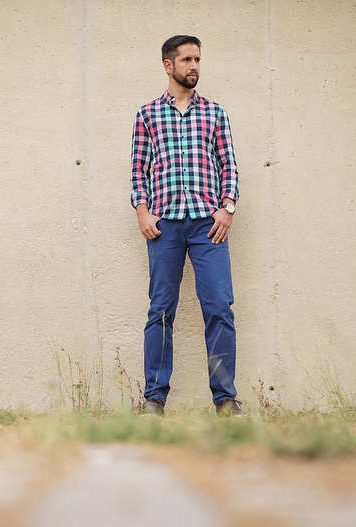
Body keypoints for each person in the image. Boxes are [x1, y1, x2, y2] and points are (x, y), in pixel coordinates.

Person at [130, 34, 243, 416]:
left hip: (208, 226)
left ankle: (225, 399)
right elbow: (138, 170)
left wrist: (226, 208)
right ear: (168, 65)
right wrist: (142, 212)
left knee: (219, 308)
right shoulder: (147, 115)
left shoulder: (215, 113)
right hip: (165, 228)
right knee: (161, 310)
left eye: (198, 59)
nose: (194, 66)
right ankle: (154, 400)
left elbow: (229, 165)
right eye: (187, 60)